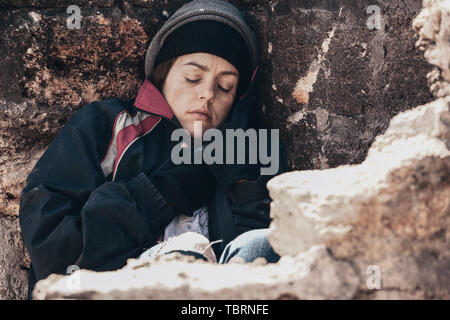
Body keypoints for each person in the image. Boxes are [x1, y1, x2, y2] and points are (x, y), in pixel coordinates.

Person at [18, 0, 287, 299]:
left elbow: (262, 264)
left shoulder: (249, 149)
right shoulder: (109, 125)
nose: (207, 94)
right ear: (162, 74)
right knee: (184, 264)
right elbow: (54, 250)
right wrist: (158, 194)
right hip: (115, 289)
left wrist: (244, 184)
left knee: (261, 247)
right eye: (193, 78)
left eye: (225, 87)